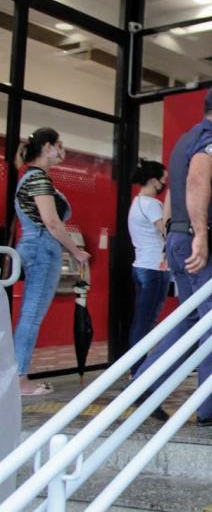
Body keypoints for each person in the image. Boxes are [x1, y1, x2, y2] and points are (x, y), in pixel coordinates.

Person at [133, 82, 212, 426]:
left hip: (180, 238)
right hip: (203, 243)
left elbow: (176, 191)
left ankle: (146, 385)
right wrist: (200, 234)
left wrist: (175, 235)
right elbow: (196, 181)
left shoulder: (187, 139)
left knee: (191, 319)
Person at [13, 128, 91, 396]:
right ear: (47, 147)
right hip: (42, 248)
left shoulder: (32, 177)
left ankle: (19, 377)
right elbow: (52, 222)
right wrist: (76, 251)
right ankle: (20, 380)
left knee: (29, 315)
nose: (62, 150)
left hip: (38, 246)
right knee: (31, 316)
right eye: (59, 144)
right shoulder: (38, 179)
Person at [127, 160, 170, 377]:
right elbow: (166, 231)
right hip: (154, 268)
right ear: (153, 181)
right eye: (164, 179)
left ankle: (137, 368)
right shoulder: (152, 204)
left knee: (142, 321)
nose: (165, 184)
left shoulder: (136, 203)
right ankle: (138, 370)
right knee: (146, 321)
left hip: (142, 265)